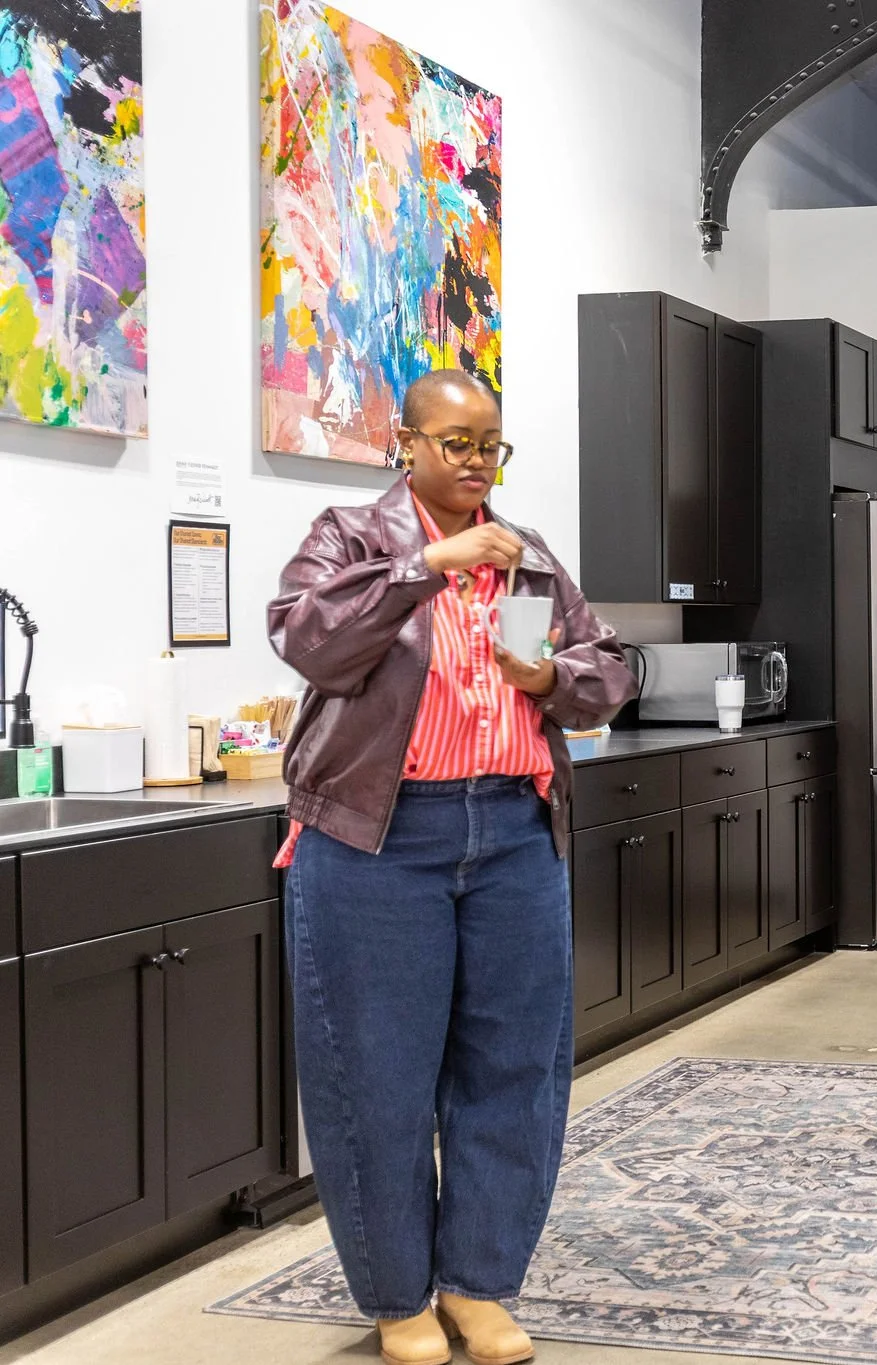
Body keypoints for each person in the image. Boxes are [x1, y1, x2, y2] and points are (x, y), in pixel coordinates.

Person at [269, 371, 635, 1365]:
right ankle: (397, 1297)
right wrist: (427, 564)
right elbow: (309, 640)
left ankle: (479, 1284)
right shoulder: (350, 536)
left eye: (490, 446)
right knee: (376, 1077)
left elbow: (611, 670)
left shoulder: (529, 558)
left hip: (514, 833)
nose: (475, 463)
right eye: (456, 442)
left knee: (513, 1069)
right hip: (376, 840)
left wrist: (550, 676)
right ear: (408, 442)